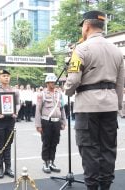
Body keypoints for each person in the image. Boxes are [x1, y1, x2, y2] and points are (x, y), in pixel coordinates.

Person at [64, 10, 124, 190]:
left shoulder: (81, 49)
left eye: (82, 26)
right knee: (108, 150)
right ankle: (105, 186)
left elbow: (73, 80)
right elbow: (120, 84)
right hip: (110, 106)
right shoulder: (116, 51)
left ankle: (92, 187)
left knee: (89, 151)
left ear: (87, 25)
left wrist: (67, 91)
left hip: (87, 107)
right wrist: (118, 105)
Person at [35, 73, 66, 174]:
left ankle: (52, 161)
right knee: (46, 143)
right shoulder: (42, 94)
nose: (53, 83)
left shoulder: (59, 94)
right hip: (46, 122)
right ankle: (45, 162)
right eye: (51, 82)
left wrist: (63, 122)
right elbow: (38, 110)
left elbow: (62, 109)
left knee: (54, 142)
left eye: (54, 82)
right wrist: (38, 125)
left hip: (56, 122)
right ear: (47, 83)